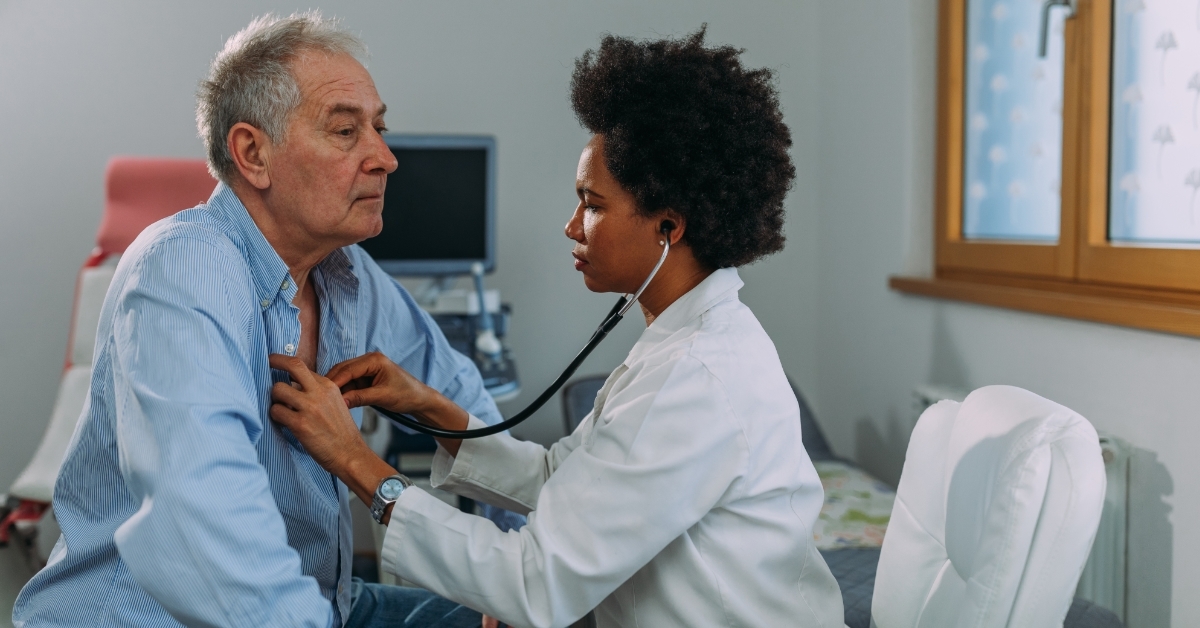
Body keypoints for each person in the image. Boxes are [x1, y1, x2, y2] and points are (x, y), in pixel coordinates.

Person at [268, 27, 846, 628]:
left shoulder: (696, 377)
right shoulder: (686, 343)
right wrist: (425, 405)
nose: (572, 227)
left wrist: (354, 460)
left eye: (592, 205)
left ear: (668, 228)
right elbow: (557, 480)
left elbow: (536, 584)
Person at [12, 12, 516, 628]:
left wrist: (518, 573)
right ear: (253, 154)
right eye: (346, 131)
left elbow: (463, 396)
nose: (386, 158)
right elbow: (211, 533)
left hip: (319, 601)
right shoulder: (183, 268)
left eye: (379, 129)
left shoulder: (349, 276)